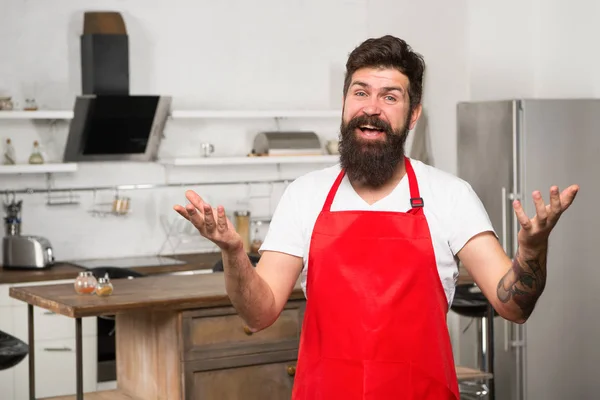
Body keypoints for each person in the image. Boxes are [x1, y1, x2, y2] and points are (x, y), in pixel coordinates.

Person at [173, 35, 579, 399]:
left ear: (413, 113)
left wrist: (532, 249)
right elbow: (259, 314)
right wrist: (234, 253)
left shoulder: (450, 196)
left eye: (390, 97)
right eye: (360, 92)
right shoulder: (305, 195)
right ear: (345, 102)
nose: (371, 108)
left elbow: (514, 306)